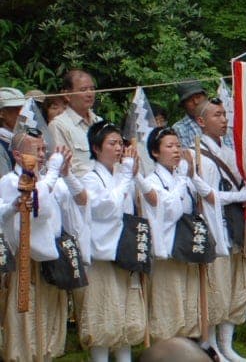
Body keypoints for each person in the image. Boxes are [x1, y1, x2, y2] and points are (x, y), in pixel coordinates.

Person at [1, 131, 86, 362]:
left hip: (53, 260)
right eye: (36, 150)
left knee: (49, 320)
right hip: (25, 262)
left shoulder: (52, 180)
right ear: (17, 155)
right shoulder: (10, 181)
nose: (41, 155)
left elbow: (82, 199)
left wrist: (66, 174)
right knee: (26, 324)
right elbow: (37, 204)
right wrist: (12, 207)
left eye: (43, 150)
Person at [191, 99, 246, 362]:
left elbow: (245, 185)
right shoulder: (196, 153)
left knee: (236, 285)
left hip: (236, 222)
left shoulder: (231, 152)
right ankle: (212, 347)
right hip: (214, 225)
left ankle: (228, 345)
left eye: (224, 115)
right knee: (216, 287)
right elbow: (207, 195)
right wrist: (238, 196)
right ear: (201, 121)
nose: (223, 120)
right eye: (217, 115)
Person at [81, 121, 149, 362]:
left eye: (121, 143)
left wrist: (132, 174)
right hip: (102, 253)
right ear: (96, 148)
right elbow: (106, 208)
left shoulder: (122, 175)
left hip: (125, 249)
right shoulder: (89, 178)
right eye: (112, 143)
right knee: (103, 312)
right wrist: (125, 177)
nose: (119, 148)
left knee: (125, 309)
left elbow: (139, 203)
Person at [141, 127, 202, 345]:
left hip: (186, 244)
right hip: (166, 248)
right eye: (169, 146)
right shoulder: (151, 180)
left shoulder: (181, 176)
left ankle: (185, 348)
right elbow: (168, 210)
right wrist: (183, 181)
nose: (176, 151)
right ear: (155, 152)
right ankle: (165, 350)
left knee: (186, 298)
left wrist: (190, 176)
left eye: (178, 145)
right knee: (168, 300)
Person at [48, 69, 102, 176]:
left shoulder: (101, 123)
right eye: (83, 90)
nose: (90, 94)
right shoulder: (58, 125)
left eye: (92, 89)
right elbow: (65, 166)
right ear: (67, 95)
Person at [169, 81, 207, 150]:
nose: (196, 102)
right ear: (184, 105)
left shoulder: (220, 119)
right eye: (190, 100)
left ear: (205, 98)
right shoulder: (179, 129)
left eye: (198, 97)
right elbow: (185, 158)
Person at [0, 86, 25, 174]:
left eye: (23, 109)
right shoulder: (2, 144)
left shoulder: (23, 138)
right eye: (17, 110)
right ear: (2, 113)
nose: (22, 114)